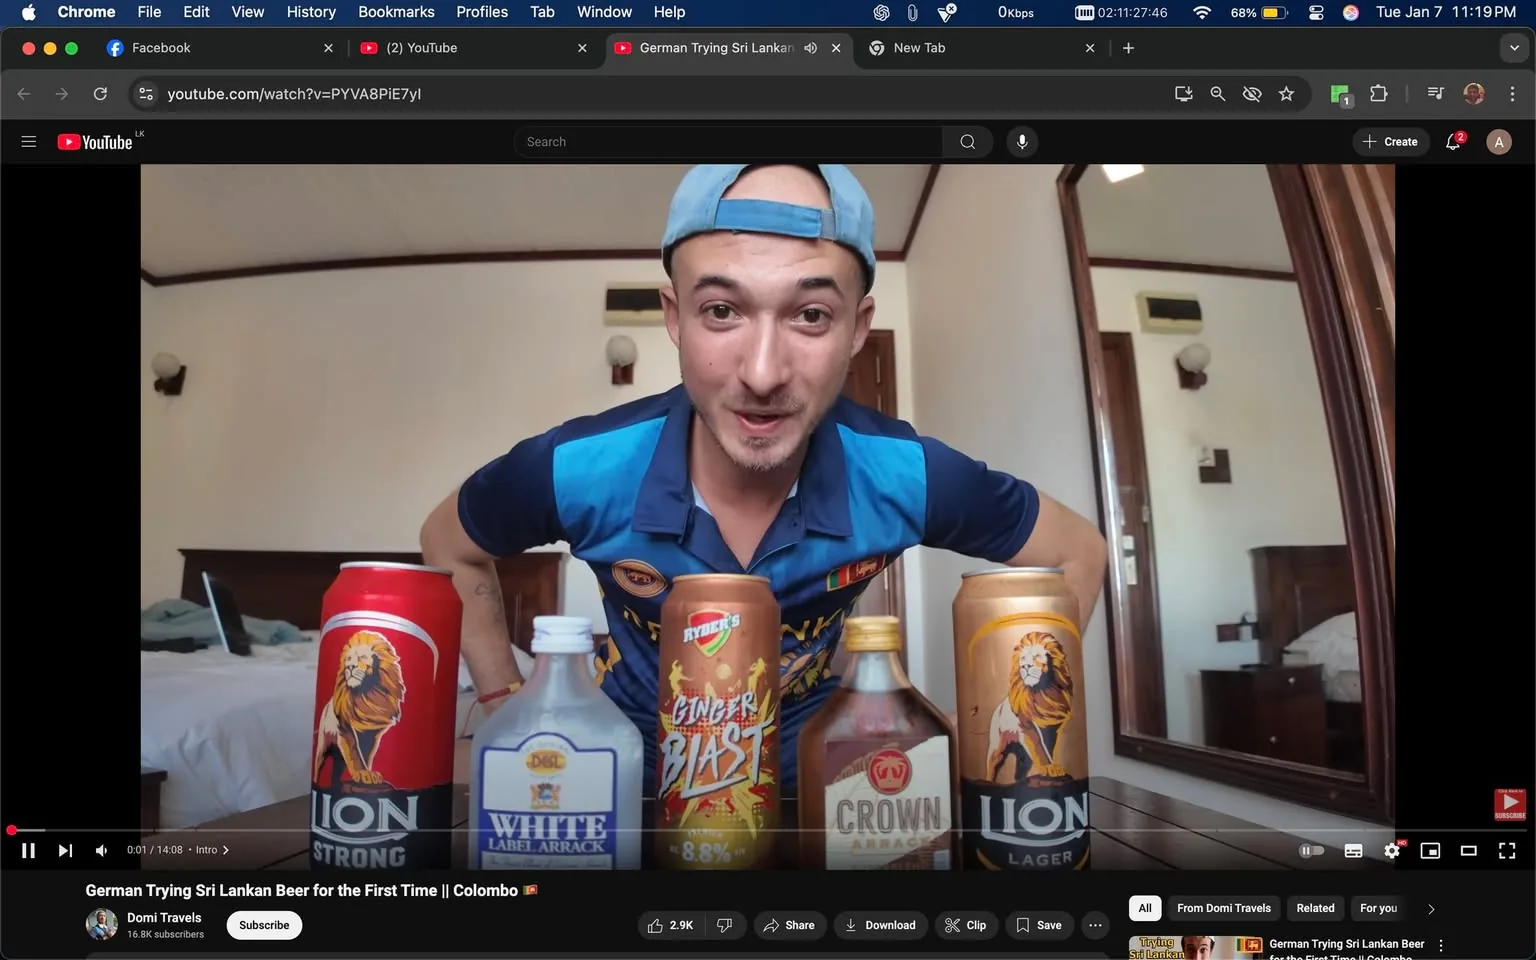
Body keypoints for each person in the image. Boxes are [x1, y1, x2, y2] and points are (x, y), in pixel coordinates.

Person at [421, 164, 1109, 793]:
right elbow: (446, 542)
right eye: (721, 310)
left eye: (810, 315)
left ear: (857, 328)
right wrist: (498, 700)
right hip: (622, 783)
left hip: (820, 785)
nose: (761, 373)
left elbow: (1079, 551)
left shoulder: (909, 475)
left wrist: (995, 725)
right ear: (674, 319)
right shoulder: (579, 466)